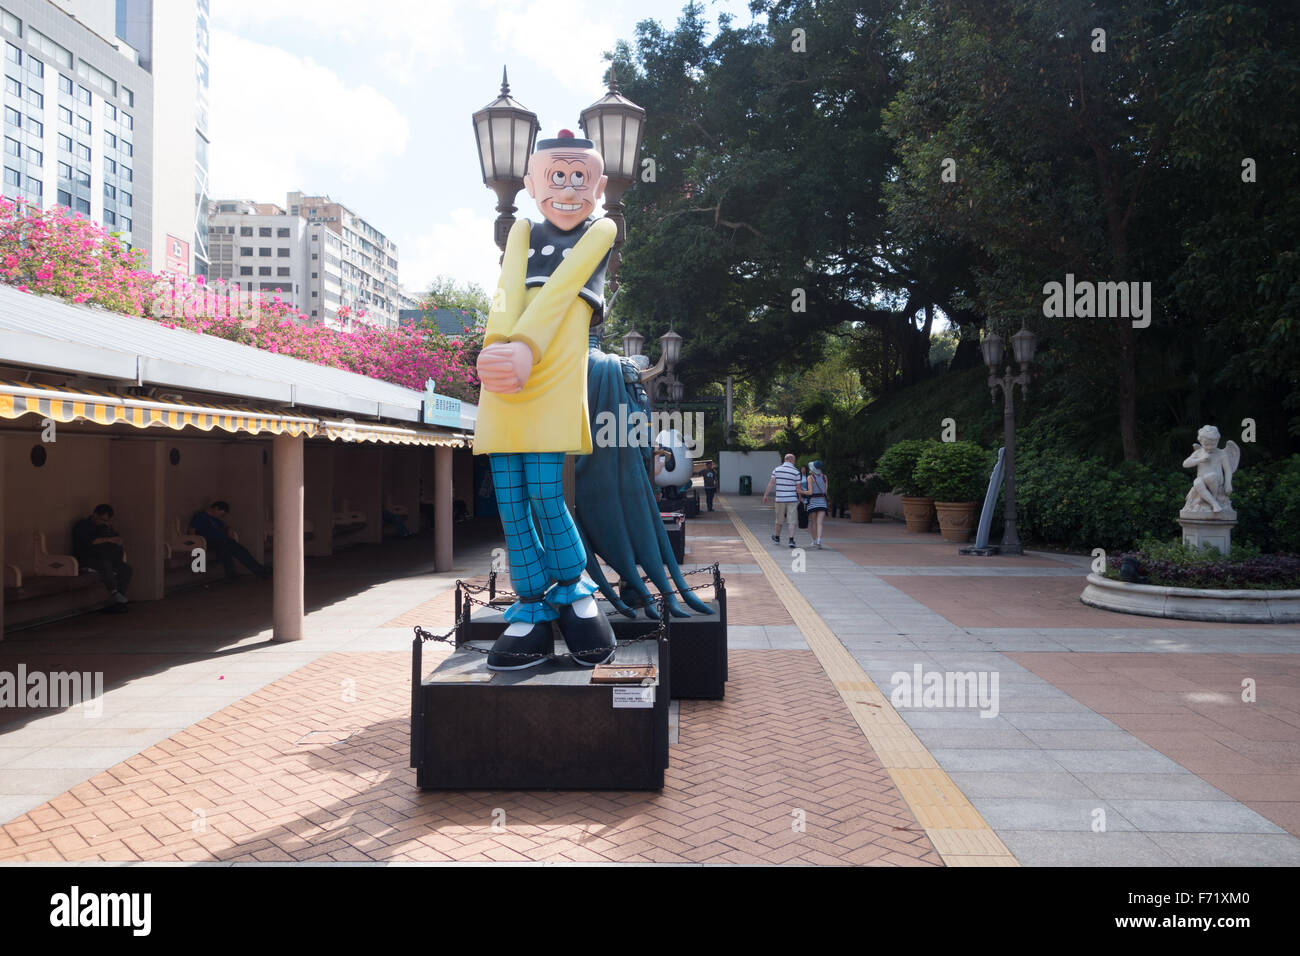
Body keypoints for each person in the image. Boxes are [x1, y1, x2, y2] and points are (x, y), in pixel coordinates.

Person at [474, 128, 618, 670]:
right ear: (534, 184)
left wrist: (525, 348)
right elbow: (506, 291)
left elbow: (562, 292)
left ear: (598, 185)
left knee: (543, 492)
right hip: (506, 372)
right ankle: (531, 605)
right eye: (557, 176)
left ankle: (575, 591)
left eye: (580, 177)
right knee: (510, 503)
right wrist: (494, 350)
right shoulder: (521, 231)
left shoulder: (599, 230)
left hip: (552, 364)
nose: (568, 187)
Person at [189, 501, 270, 579]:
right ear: (216, 508)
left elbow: (224, 525)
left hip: (222, 541)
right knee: (231, 549)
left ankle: (240, 573)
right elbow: (192, 531)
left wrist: (229, 529)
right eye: (221, 513)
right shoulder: (200, 517)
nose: (220, 516)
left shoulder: (214, 518)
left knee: (237, 550)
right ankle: (259, 571)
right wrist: (196, 546)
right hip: (208, 542)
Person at [72, 504, 131, 611]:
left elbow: (115, 538)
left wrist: (116, 538)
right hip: (86, 558)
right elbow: (89, 541)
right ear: (95, 514)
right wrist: (108, 539)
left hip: (104, 556)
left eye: (106, 520)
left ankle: (119, 599)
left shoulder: (104, 526)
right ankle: (114, 592)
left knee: (126, 569)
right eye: (102, 519)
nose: (104, 522)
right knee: (105, 565)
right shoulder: (83, 525)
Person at [762, 453, 802, 548]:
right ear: (792, 460)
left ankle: (777, 537)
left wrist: (765, 495)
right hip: (792, 499)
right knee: (792, 521)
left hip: (780, 499)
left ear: (785, 460)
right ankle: (791, 540)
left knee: (779, 519)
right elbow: (798, 488)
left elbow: (771, 483)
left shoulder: (777, 470)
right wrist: (800, 497)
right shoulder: (796, 471)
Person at [802, 460, 830, 548]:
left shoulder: (810, 477)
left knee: (813, 523)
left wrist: (800, 491)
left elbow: (810, 492)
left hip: (813, 502)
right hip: (822, 502)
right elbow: (825, 492)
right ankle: (819, 540)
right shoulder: (824, 477)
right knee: (820, 523)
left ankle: (814, 541)